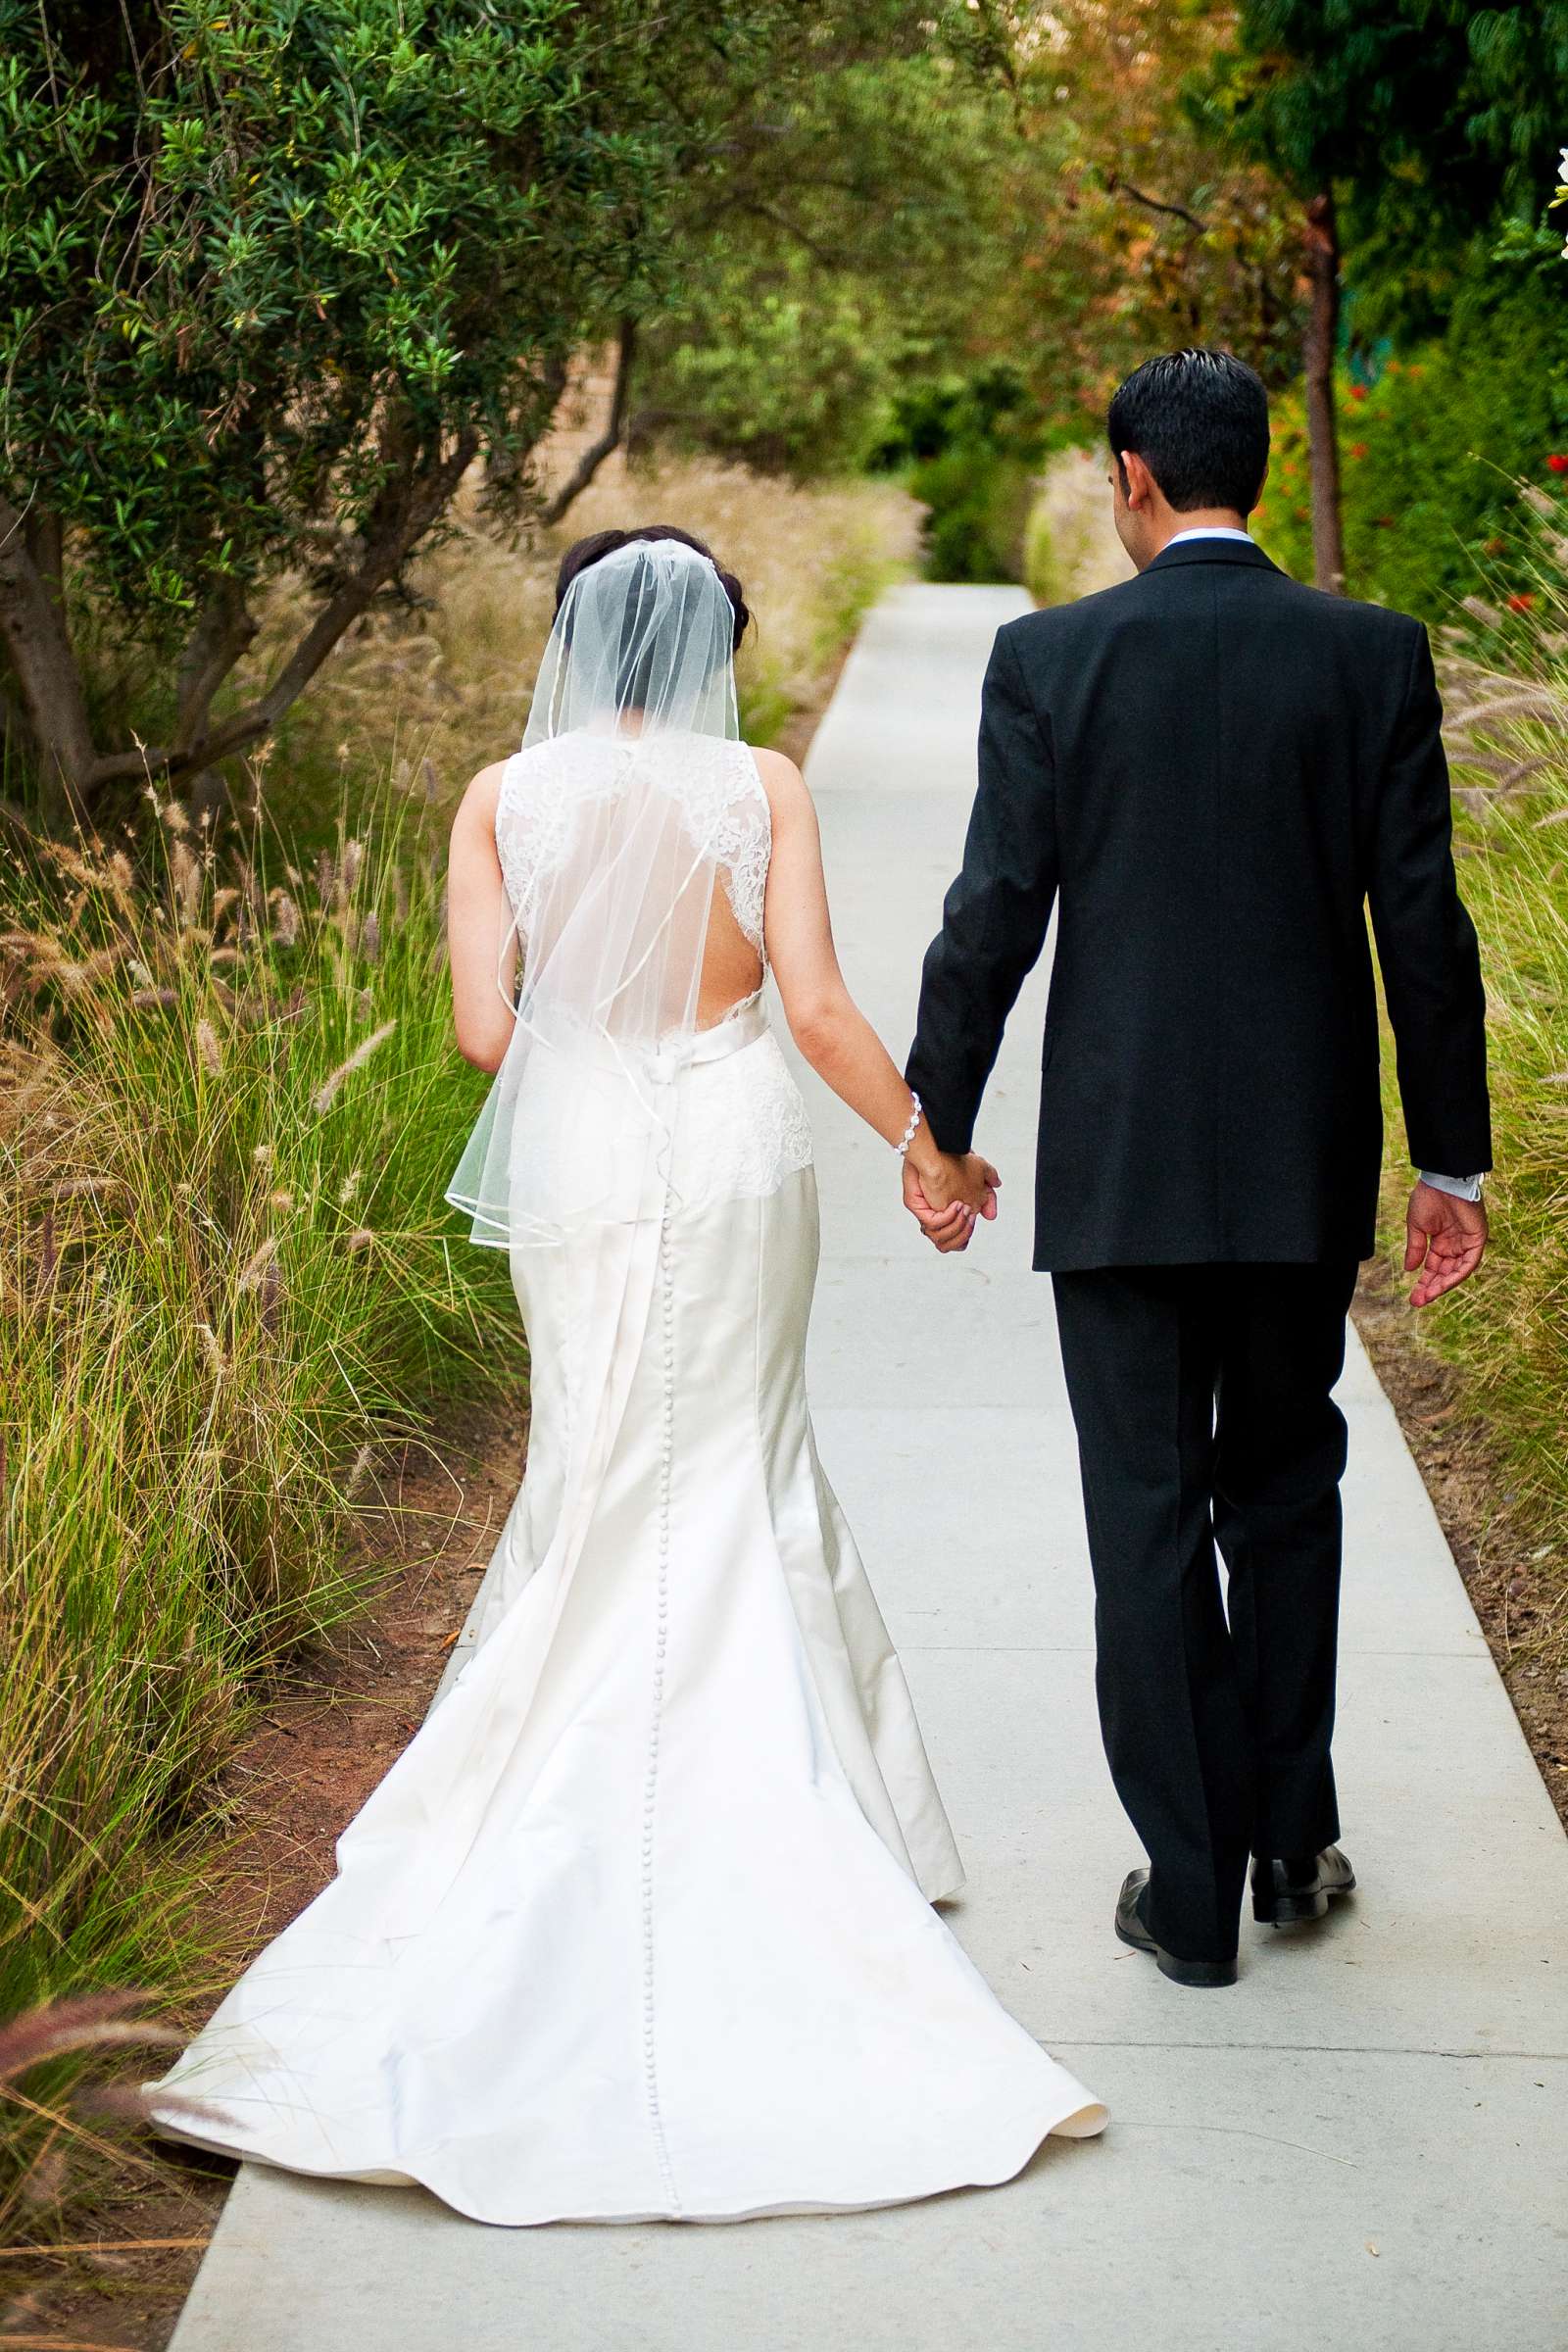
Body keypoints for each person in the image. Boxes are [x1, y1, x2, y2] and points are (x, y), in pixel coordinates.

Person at [142, 524, 1105, 2224]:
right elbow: (811, 1010)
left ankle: (523, 1779)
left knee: (591, 1459)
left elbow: (479, 1033)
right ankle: (816, 1812)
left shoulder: (503, 795)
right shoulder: (762, 787)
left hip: (579, 1149)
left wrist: (601, 1062)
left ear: (581, 644)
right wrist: (927, 1148)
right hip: (733, 1143)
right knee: (740, 1448)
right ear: (717, 640)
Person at [906, 348, 1491, 1988]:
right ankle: (1293, 1844)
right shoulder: (1371, 655)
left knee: (1147, 1509)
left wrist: (936, 1125)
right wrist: (1452, 1159)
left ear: (1135, 483)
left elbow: (993, 913)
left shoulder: (1051, 660)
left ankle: (1190, 1889)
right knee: (1289, 1491)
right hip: (1301, 1167)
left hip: (1121, 1167)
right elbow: (1425, 933)